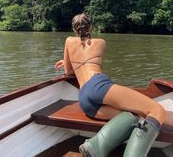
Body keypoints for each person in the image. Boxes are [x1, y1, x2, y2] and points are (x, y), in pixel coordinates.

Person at [55, 13, 165, 157]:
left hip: (85, 101)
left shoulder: (69, 41)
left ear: (74, 29)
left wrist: (69, 62)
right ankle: (98, 146)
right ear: (91, 27)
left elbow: (69, 71)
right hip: (98, 85)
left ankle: (94, 148)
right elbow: (89, 59)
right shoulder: (100, 42)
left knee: (134, 116)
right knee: (157, 111)